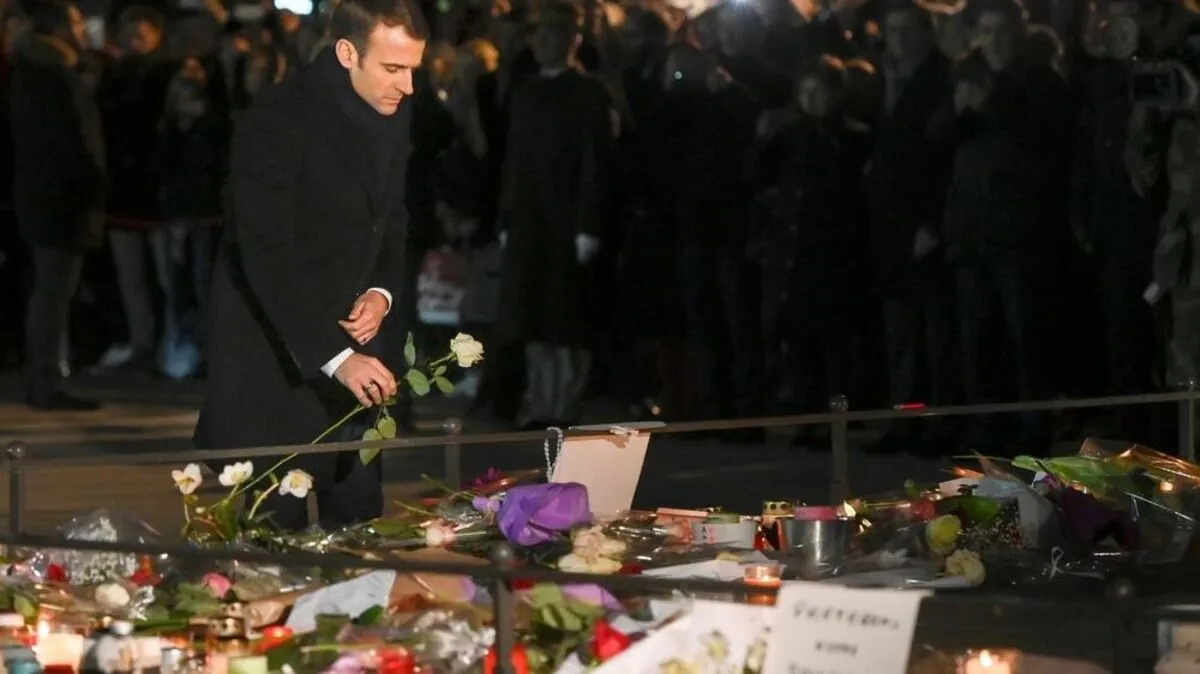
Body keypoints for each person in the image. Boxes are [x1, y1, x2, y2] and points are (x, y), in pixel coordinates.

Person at [193, 0, 428, 531]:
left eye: (413, 68)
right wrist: (335, 357)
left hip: (358, 367)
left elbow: (391, 219)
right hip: (276, 363)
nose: (408, 86)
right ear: (347, 53)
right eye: (393, 68)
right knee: (275, 543)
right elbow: (264, 253)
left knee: (360, 532)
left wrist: (381, 292)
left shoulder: (392, 106)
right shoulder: (278, 118)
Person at [9, 0, 105, 410]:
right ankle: (45, 382)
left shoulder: (30, 73)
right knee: (52, 294)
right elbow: (75, 144)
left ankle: (43, 377)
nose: (83, 31)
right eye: (77, 23)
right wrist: (93, 188)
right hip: (61, 202)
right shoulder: (53, 77)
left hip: (41, 197)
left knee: (47, 294)